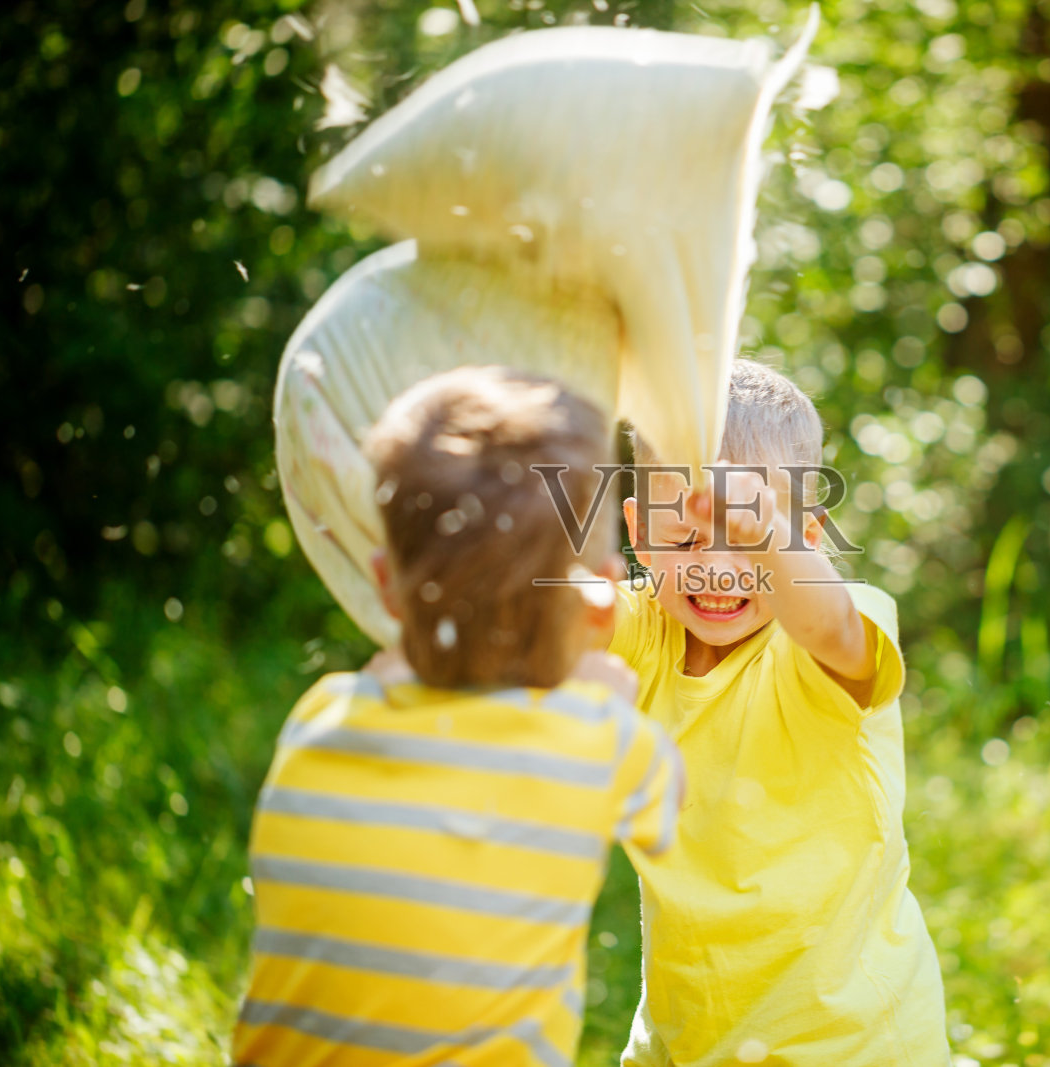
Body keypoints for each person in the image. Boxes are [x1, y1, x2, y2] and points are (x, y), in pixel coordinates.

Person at [233, 366, 682, 1067]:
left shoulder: (318, 718)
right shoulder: (601, 741)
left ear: (385, 583)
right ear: (599, 598)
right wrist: (602, 691)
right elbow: (666, 815)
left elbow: (395, 670)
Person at [613, 360, 948, 1066]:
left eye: (752, 540)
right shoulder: (645, 629)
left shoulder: (834, 630)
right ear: (639, 532)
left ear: (810, 535)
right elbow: (540, 618)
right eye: (685, 539)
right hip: (684, 1041)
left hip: (851, 1047)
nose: (718, 568)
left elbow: (830, 629)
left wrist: (763, 526)